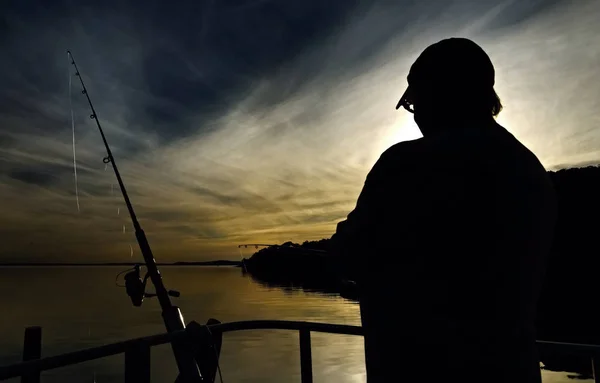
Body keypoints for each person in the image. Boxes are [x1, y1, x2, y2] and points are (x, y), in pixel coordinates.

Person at [330, 37, 557, 383]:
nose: (415, 115)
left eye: (414, 102)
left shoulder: (406, 164)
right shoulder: (529, 169)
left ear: (438, 94)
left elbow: (348, 255)